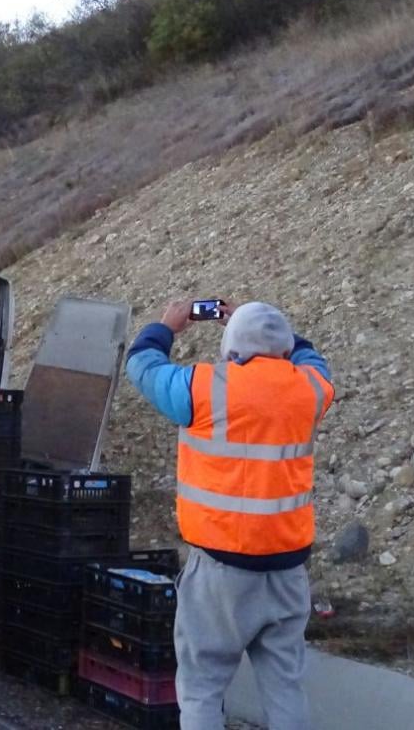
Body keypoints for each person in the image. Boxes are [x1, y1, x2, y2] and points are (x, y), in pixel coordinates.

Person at [126, 299, 334, 730]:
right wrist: (269, 327)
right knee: (285, 688)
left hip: (220, 573)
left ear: (231, 347)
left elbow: (142, 366)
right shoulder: (311, 389)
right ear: (282, 347)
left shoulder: (203, 387)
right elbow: (310, 357)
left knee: (202, 689)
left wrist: (165, 328)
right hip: (288, 572)